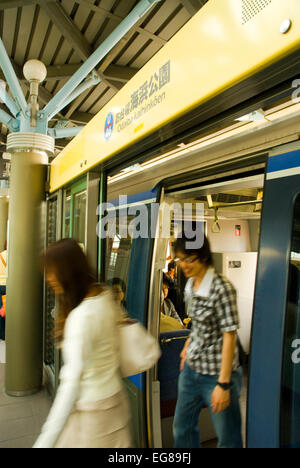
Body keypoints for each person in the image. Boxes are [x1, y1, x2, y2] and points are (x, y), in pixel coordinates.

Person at [33, 239, 131, 449]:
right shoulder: (104, 296)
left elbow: (70, 385)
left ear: (67, 270)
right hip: (114, 404)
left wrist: (44, 441)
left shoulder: (82, 317)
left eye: (52, 271)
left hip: (94, 416)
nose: (48, 278)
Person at [172, 233, 243, 449]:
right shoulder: (190, 285)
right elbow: (197, 324)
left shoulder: (222, 288)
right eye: (180, 259)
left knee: (228, 438)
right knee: (181, 428)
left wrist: (223, 383)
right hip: (192, 370)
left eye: (189, 259)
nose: (183, 264)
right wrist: (187, 346)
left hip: (217, 375)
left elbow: (229, 336)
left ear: (203, 257)